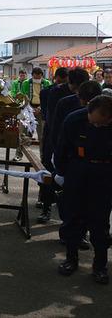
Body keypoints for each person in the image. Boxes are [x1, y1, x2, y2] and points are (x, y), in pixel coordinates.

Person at [55, 95, 112, 285]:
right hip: (78, 170)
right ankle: (71, 259)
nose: (98, 127)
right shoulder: (74, 120)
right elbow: (61, 148)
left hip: (105, 173)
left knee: (100, 221)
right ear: (88, 111)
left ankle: (100, 266)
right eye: (94, 123)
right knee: (73, 218)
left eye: (103, 125)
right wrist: (63, 174)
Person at [42, 76, 101, 225]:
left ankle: (78, 233)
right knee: (69, 199)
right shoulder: (66, 106)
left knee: (85, 204)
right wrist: (60, 163)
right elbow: (56, 133)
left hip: (90, 166)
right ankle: (48, 208)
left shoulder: (104, 111)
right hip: (70, 160)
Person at [15, 67, 52, 161]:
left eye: (39, 77)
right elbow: (22, 97)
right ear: (32, 75)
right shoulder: (26, 83)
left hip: (41, 110)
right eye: (35, 77)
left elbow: (49, 98)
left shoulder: (47, 83)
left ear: (42, 76)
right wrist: (30, 108)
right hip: (27, 109)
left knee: (42, 135)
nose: (37, 79)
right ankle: (18, 154)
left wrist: (40, 108)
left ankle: (43, 157)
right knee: (21, 131)